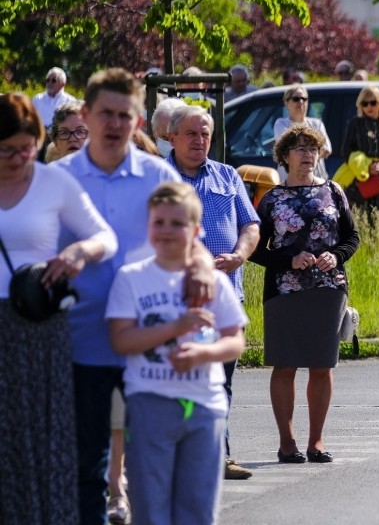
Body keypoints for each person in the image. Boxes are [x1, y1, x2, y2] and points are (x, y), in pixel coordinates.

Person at [52, 68, 214, 524]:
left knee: (154, 462)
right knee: (86, 466)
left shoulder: (157, 175)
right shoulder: (58, 178)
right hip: (80, 340)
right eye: (105, 113)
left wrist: (200, 266)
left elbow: (192, 239)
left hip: (150, 342)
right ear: (86, 114)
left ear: (139, 121)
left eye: (125, 115)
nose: (115, 124)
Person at [0, 93, 118, 524]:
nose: (18, 158)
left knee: (41, 436)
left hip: (37, 325)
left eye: (26, 146)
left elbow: (105, 238)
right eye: (7, 149)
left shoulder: (52, 183)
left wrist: (77, 254)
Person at [107, 182, 246, 525]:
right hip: (149, 401)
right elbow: (121, 340)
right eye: (159, 222)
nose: (167, 231)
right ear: (147, 226)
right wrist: (176, 325)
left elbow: (235, 341)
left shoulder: (212, 281)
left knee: (197, 508)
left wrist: (203, 353)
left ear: (196, 230)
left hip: (204, 406)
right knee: (151, 507)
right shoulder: (131, 278)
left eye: (178, 224)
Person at [250, 123, 360, 465]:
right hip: (284, 291)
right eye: (300, 149)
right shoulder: (272, 199)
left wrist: (336, 255)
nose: (308, 155)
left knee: (321, 365)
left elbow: (352, 238)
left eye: (313, 149)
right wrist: (288, 260)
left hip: (328, 290)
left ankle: (316, 441)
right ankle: (287, 442)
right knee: (284, 365)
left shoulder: (334, 192)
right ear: (284, 157)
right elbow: (254, 248)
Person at [167, 104, 260, 479]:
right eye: (191, 133)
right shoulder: (158, 177)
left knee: (221, 382)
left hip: (225, 298)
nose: (200, 140)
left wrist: (239, 254)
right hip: (174, 299)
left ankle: (219, 457)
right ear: (171, 136)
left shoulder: (226, 175)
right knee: (176, 381)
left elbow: (250, 224)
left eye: (205, 133)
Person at [341, 86, 379, 211]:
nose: (369, 107)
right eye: (365, 103)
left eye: (373, 103)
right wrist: (367, 166)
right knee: (360, 218)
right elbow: (346, 151)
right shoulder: (355, 123)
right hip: (359, 177)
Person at [273, 85, 332, 179]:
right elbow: (285, 147)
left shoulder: (317, 123)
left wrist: (298, 149)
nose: (300, 102)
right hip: (289, 182)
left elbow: (327, 149)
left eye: (304, 99)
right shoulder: (280, 123)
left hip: (316, 182)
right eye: (296, 99)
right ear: (286, 102)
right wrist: (314, 147)